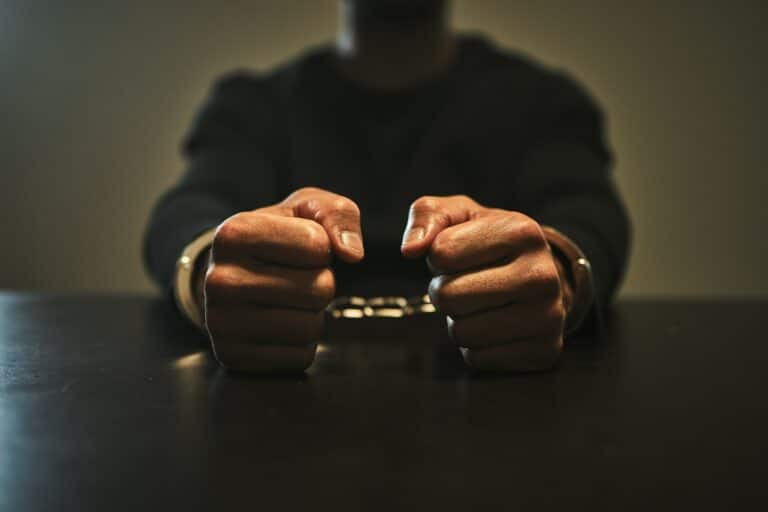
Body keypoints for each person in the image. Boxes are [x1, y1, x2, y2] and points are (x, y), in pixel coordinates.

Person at [143, 0, 631, 373]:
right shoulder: (252, 106)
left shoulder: (540, 103)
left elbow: (587, 212)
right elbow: (190, 209)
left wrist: (561, 276)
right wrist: (210, 271)